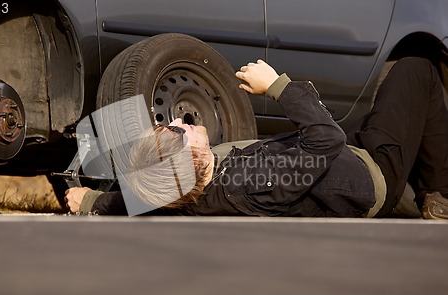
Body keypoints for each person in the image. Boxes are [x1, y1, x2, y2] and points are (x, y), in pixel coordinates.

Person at [65, 57, 448, 219]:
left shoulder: (183, 193)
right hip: (369, 176)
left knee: (390, 107)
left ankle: (428, 186)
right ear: (193, 159)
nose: (180, 119)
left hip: (330, 166)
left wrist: (93, 201)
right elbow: (325, 141)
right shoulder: (254, 180)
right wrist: (278, 86)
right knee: (415, 71)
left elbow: (145, 194)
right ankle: (438, 193)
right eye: (177, 131)